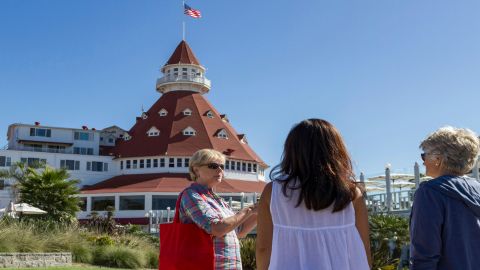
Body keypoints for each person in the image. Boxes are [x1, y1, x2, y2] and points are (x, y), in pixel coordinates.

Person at [256, 119, 371, 270]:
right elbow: (365, 248)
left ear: (292, 151)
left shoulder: (273, 192)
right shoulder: (351, 193)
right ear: (336, 150)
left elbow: (263, 248)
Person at [410, 126, 480, 270]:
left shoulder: (430, 192)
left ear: (438, 159)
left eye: (424, 155)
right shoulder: (477, 189)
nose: (423, 161)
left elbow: (424, 255)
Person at [179, 149, 258, 270]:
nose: (220, 170)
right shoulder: (191, 195)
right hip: (206, 265)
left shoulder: (218, 201)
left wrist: (259, 210)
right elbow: (217, 229)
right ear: (196, 170)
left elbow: (239, 232)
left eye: (222, 166)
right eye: (213, 166)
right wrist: (249, 209)